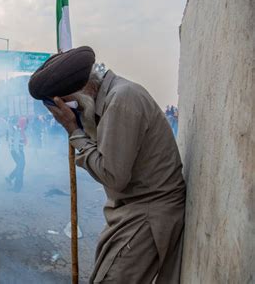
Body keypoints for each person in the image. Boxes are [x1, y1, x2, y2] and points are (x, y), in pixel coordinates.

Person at [29, 46, 186, 283]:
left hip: (148, 212)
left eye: (72, 106)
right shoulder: (110, 98)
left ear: (78, 94)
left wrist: (74, 131)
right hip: (131, 210)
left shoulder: (121, 99)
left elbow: (113, 176)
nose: (76, 113)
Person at [5, 116, 27, 192]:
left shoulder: (19, 129)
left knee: (21, 166)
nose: (26, 124)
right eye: (25, 122)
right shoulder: (18, 130)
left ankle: (11, 178)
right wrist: (18, 153)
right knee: (20, 168)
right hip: (17, 151)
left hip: (17, 151)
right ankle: (17, 187)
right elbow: (15, 143)